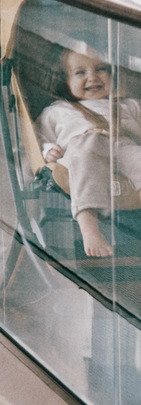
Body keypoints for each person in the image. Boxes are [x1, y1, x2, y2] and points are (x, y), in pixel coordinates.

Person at [38, 47, 141, 257]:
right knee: (84, 154)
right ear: (65, 81)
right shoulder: (57, 110)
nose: (93, 77)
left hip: (122, 145)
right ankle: (89, 227)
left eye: (101, 69)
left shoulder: (128, 105)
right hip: (83, 150)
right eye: (80, 72)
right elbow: (40, 137)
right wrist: (48, 150)